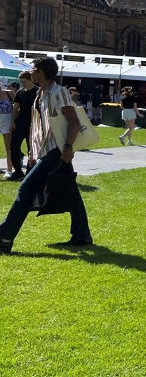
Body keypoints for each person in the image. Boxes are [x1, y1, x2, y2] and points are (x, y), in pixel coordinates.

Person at [0, 57, 92, 253]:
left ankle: (4, 238)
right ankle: (82, 235)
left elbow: (74, 122)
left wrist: (67, 148)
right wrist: (34, 150)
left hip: (57, 150)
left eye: (33, 69)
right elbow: (40, 127)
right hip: (46, 150)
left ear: (42, 72)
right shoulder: (39, 93)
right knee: (71, 191)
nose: (30, 71)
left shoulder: (59, 93)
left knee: (25, 189)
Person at [9, 71, 36, 181]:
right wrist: (12, 121)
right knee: (13, 148)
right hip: (20, 123)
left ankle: (30, 172)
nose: (23, 84)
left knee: (32, 150)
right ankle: (18, 171)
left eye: (25, 81)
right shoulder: (20, 92)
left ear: (31, 79)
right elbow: (15, 108)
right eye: (21, 82)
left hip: (34, 124)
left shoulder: (38, 92)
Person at [0, 83, 14, 179]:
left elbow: (17, 106)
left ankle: (9, 169)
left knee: (8, 148)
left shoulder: (9, 93)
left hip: (7, 122)